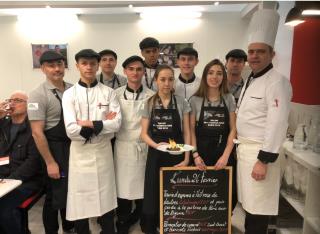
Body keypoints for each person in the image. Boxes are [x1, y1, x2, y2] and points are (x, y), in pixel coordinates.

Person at [236, 9, 292, 234]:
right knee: (250, 206)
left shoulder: (277, 82)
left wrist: (264, 160)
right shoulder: (251, 78)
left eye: (260, 51)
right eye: (251, 51)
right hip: (246, 152)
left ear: (272, 54)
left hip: (260, 155)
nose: (254, 56)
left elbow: (277, 123)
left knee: (258, 210)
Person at [62, 49, 121, 234]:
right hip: (79, 154)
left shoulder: (109, 93)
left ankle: (108, 230)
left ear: (98, 65)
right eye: (84, 63)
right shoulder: (69, 94)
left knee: (106, 197)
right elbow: (71, 130)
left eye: (92, 63)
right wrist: (103, 125)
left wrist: (88, 123)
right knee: (80, 199)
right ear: (77, 65)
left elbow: (117, 124)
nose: (89, 67)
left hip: (103, 153)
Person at [28, 50, 75, 234]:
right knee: (54, 196)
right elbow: (37, 133)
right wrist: (50, 162)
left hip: (72, 147)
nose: (57, 69)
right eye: (51, 66)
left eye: (60, 64)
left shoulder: (73, 89)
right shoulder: (37, 95)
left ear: (65, 66)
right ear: (43, 69)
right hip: (52, 150)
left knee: (69, 194)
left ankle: (69, 228)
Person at [140, 64, 191, 234]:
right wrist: (157, 146)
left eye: (170, 79)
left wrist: (186, 158)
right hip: (156, 154)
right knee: (153, 191)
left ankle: (171, 226)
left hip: (177, 152)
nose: (167, 83)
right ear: (156, 81)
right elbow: (144, 134)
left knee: (174, 191)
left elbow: (187, 132)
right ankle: (151, 226)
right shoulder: (149, 103)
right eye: (162, 79)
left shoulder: (182, 102)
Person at [189, 59, 238, 210]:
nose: (214, 77)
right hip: (201, 154)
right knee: (201, 192)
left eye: (219, 73)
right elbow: (190, 131)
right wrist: (195, 155)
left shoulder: (229, 98)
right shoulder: (195, 100)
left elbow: (233, 129)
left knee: (225, 193)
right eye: (210, 73)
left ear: (223, 77)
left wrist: (226, 156)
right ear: (204, 76)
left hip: (224, 151)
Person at [114, 55, 154, 234]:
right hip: (122, 148)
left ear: (144, 71)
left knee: (144, 188)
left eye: (139, 69)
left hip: (144, 148)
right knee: (123, 189)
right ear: (125, 71)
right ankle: (122, 221)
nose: (135, 72)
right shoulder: (115, 95)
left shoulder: (152, 96)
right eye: (131, 69)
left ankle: (143, 220)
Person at [0, 91, 44, 234]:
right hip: (3, 178)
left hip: (26, 180)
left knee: (5, 209)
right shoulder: (2, 124)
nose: (12, 103)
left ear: (28, 106)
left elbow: (33, 162)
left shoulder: (34, 128)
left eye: (18, 100)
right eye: (10, 100)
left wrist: (9, 180)